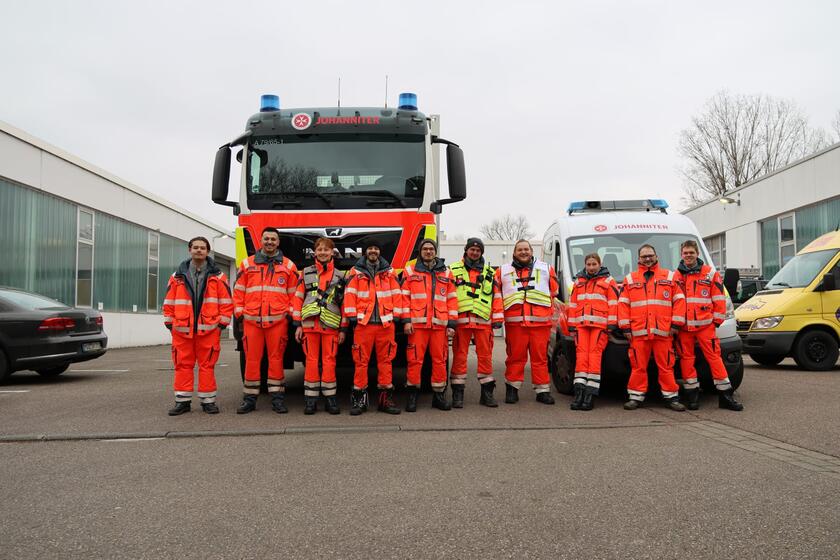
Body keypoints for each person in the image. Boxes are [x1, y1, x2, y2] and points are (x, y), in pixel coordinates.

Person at [233, 227, 299, 414]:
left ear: (278, 243)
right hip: (251, 321)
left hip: (278, 323)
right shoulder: (247, 264)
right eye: (266, 239)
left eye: (273, 239)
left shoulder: (288, 266)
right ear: (261, 241)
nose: (270, 242)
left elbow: (295, 294)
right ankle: (249, 399)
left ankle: (277, 399)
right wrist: (240, 313)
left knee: (276, 360)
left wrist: (289, 314)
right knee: (252, 361)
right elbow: (238, 291)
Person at [163, 236, 233, 415]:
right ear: (190, 250)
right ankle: (182, 402)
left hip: (209, 330)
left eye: (202, 248)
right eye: (196, 247)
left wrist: (221, 325)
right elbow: (169, 301)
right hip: (181, 329)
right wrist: (170, 323)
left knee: (206, 366)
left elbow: (226, 303)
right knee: (182, 366)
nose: (199, 250)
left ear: (207, 251)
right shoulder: (176, 276)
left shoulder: (218, 277)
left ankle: (208, 401)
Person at [673, 240, 744, 411]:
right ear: (681, 255)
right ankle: (692, 396)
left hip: (706, 326)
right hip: (685, 328)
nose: (688, 255)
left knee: (715, 359)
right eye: (685, 253)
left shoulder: (710, 273)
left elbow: (719, 298)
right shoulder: (676, 276)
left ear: (697, 253)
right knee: (686, 361)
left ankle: (725, 395)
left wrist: (716, 321)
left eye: (691, 252)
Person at [617, 244, 686, 411]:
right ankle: (636, 397)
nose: (648, 259)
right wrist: (625, 327)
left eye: (650, 255)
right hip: (638, 332)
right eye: (644, 256)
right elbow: (623, 304)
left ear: (656, 256)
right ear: (638, 259)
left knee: (666, 366)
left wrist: (676, 324)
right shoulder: (630, 279)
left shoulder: (670, 276)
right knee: (638, 366)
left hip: (663, 332)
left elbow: (679, 300)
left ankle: (671, 398)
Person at [342, 242, 403, 416]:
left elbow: (397, 295)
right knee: (360, 362)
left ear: (379, 251)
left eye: (376, 248)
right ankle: (359, 401)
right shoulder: (356, 272)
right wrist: (352, 315)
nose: (373, 251)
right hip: (363, 324)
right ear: (365, 252)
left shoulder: (389, 272)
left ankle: (386, 400)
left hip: (385, 324)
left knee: (386, 362)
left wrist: (396, 317)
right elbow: (349, 294)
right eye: (370, 249)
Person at [495, 239, 558, 405]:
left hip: (540, 324)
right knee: (515, 357)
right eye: (520, 250)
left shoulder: (546, 268)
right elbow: (496, 296)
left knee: (540, 359)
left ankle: (542, 391)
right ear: (514, 253)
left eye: (526, 249)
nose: (523, 252)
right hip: (515, 324)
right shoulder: (502, 271)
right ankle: (512, 389)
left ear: (531, 251)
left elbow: (554, 291)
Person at [401, 238, 459, 411]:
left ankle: (439, 396)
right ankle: (412, 396)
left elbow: (452, 300)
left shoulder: (447, 273)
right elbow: (404, 298)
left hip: (439, 326)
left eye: (431, 249)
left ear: (435, 252)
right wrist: (406, 320)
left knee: (440, 361)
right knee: (414, 361)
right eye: (425, 249)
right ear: (420, 252)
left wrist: (452, 324)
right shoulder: (410, 271)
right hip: (417, 326)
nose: (428, 251)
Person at [292, 237, 347, 415]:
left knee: (330, 362)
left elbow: (345, 304)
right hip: (309, 325)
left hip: (331, 326)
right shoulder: (305, 272)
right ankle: (311, 401)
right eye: (320, 249)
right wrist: (297, 325)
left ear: (333, 252)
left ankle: (331, 400)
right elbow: (298, 298)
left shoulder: (340, 275)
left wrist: (343, 329)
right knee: (311, 363)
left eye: (326, 250)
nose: (323, 252)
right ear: (314, 252)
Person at [449, 237, 504, 407]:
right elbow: (447, 296)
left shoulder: (489, 272)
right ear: (466, 250)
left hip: (483, 322)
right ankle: (458, 395)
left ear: (481, 253)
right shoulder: (453, 269)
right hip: (461, 322)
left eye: (478, 250)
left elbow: (497, 297)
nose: (474, 252)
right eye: (472, 249)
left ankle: (487, 394)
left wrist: (498, 318)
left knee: (486, 357)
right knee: (459, 357)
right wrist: (449, 321)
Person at [566, 253, 619, 411]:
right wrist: (572, 326)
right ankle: (579, 393)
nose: (591, 267)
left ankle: (590, 395)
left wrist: (611, 325)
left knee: (594, 358)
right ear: (585, 265)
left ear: (599, 264)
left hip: (599, 327)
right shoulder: (578, 282)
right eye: (588, 264)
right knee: (581, 358)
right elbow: (573, 305)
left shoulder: (609, 281)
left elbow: (614, 304)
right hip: (581, 326)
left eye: (593, 264)